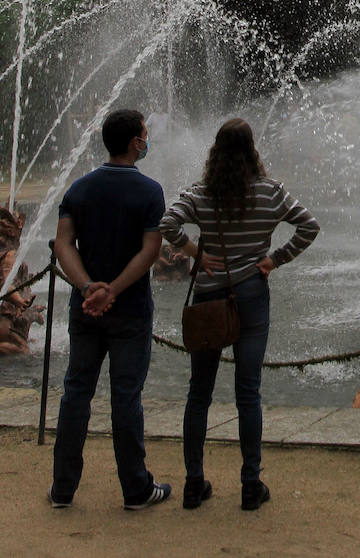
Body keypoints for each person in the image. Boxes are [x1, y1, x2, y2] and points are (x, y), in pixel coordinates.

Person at [159, 117, 319, 511]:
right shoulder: (270, 193)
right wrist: (274, 259)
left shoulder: (200, 194)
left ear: (216, 151)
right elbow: (309, 226)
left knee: (199, 392)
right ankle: (251, 484)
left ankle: (193, 484)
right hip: (250, 292)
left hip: (210, 295)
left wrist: (197, 253)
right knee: (249, 391)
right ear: (252, 151)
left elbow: (167, 223)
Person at [49, 108, 171, 510]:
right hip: (131, 309)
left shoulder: (79, 189)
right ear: (136, 142)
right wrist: (114, 290)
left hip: (85, 309)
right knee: (126, 396)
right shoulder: (150, 192)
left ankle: (62, 488)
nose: (147, 140)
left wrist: (88, 288)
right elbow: (150, 250)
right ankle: (136, 489)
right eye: (145, 135)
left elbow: (63, 244)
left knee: (76, 392)